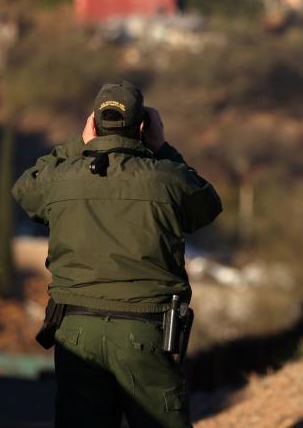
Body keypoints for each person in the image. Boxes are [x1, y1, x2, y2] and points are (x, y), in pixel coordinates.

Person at [12, 81, 222, 428]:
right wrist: (163, 148)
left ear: (94, 123)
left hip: (76, 329)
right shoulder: (167, 179)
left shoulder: (61, 180)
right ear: (143, 126)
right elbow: (207, 204)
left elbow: (25, 188)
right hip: (146, 330)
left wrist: (78, 145)